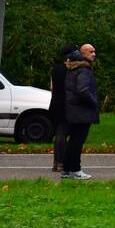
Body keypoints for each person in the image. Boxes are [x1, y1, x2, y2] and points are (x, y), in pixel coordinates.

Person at [63, 44, 98, 180]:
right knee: (78, 141)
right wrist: (93, 101)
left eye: (94, 51)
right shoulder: (84, 70)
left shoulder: (73, 68)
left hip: (73, 110)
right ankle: (75, 169)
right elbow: (83, 90)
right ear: (82, 54)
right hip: (82, 111)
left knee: (72, 140)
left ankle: (66, 169)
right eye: (90, 52)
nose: (94, 54)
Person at [49, 43, 78, 172]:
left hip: (55, 103)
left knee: (58, 133)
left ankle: (56, 162)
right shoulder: (71, 70)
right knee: (63, 133)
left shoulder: (55, 69)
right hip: (66, 104)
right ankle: (61, 162)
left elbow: (52, 87)